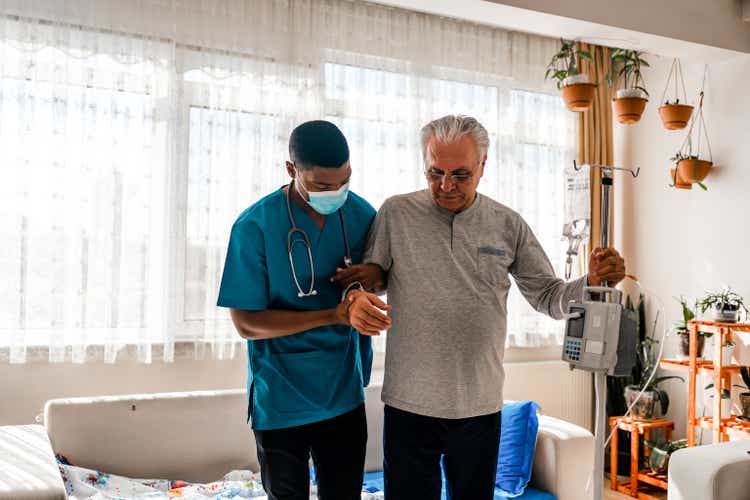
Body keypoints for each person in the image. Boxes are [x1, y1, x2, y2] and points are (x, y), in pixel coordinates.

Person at [334, 115, 625, 500]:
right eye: (435, 172)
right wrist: (355, 296)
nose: (446, 186)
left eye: (460, 174)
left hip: (480, 409)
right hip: (409, 407)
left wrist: (592, 282)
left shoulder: (508, 224)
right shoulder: (396, 214)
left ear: (483, 166)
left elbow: (549, 297)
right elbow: (369, 279)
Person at [217, 120, 391, 500]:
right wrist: (333, 315)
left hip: (343, 391)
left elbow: (382, 278)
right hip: (282, 396)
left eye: (344, 181)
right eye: (322, 186)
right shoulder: (255, 227)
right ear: (291, 170)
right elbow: (246, 322)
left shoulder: (361, 214)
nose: (336, 193)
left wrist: (369, 282)